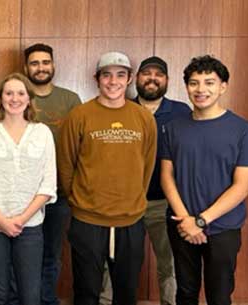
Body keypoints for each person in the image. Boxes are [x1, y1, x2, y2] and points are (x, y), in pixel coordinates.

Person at [161, 55, 248, 305]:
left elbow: (241, 187)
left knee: (219, 296)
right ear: (186, 87)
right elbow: (167, 176)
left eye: (209, 82)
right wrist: (186, 220)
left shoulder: (245, 130)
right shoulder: (173, 128)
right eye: (194, 83)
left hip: (223, 227)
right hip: (180, 224)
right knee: (185, 292)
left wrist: (201, 220)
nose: (201, 90)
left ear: (223, 86)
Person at [58, 51, 156, 305]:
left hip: (130, 221)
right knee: (87, 293)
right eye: (107, 75)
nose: (113, 82)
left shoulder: (143, 117)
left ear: (129, 79)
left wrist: (131, 198)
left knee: (126, 294)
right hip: (87, 220)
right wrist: (81, 200)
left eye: (120, 75)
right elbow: (66, 165)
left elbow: (147, 164)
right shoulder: (79, 115)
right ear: (97, 78)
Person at [101, 56, 190, 305]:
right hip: (125, 203)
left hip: (165, 203)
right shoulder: (121, 108)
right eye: (146, 73)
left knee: (169, 263)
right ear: (135, 79)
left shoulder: (182, 112)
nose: (152, 78)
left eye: (158, 74)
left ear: (167, 80)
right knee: (114, 261)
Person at [0, 73, 57, 305]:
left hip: (29, 226)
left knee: (30, 295)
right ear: (0, 98)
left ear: (29, 99)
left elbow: (48, 185)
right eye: (9, 93)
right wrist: (1, 219)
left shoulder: (42, 133)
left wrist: (20, 219)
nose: (14, 98)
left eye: (20, 93)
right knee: (0, 294)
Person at [23, 43, 81, 305]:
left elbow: (80, 146)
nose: (41, 67)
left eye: (46, 62)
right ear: (26, 68)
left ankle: (47, 300)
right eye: (35, 63)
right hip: (21, 195)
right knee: (22, 254)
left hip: (58, 195)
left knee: (51, 255)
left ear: (53, 65)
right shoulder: (16, 96)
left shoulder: (69, 100)